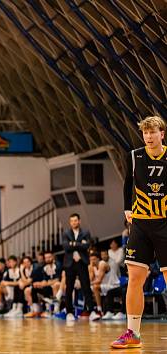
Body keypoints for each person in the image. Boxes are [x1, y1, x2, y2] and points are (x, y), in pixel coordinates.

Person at [111, 116, 167, 349]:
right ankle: (132, 333)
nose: (149, 137)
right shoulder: (134, 156)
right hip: (141, 224)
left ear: (162, 134)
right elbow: (127, 183)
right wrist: (127, 207)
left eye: (153, 132)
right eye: (145, 133)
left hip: (165, 222)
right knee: (134, 278)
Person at [62, 213, 98, 321]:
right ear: (70, 222)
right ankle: (69, 312)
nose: (74, 222)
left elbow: (87, 245)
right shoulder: (66, 233)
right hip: (70, 263)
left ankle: (91, 311)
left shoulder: (85, 232)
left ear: (79, 221)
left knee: (86, 287)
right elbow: (66, 247)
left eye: (75, 220)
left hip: (82, 262)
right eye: (72, 221)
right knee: (69, 288)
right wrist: (79, 244)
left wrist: (73, 244)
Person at [25, 250, 61, 317]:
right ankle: (36, 310)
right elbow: (45, 280)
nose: (48, 259)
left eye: (49, 257)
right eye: (46, 258)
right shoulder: (45, 267)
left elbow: (57, 279)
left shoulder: (58, 265)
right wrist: (39, 283)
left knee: (56, 285)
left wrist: (46, 284)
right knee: (34, 287)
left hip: (58, 286)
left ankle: (56, 310)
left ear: (53, 256)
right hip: (49, 286)